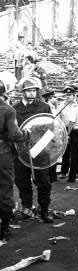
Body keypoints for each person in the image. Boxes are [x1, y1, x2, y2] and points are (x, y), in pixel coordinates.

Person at [13, 77, 54, 223]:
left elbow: (51, 130)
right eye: (28, 91)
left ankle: (44, 210)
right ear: (22, 92)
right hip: (21, 151)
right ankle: (27, 209)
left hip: (40, 151)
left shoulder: (44, 107)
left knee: (44, 182)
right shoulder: (15, 108)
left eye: (34, 90)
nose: (32, 93)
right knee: (22, 182)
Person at [0, 74, 24, 240]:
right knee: (4, 187)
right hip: (2, 153)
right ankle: (5, 226)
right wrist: (24, 134)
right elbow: (15, 134)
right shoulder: (8, 110)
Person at [58, 85, 78, 179]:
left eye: (70, 95)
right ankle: (64, 172)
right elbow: (58, 118)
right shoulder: (61, 105)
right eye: (66, 95)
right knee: (65, 151)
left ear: (74, 95)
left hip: (76, 129)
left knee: (76, 151)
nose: (68, 96)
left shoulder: (77, 105)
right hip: (65, 129)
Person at [42, 88, 58, 183]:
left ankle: (51, 176)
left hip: (50, 132)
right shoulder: (49, 107)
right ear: (50, 98)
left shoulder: (49, 106)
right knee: (51, 154)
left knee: (50, 154)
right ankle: (52, 176)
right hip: (50, 132)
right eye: (53, 97)